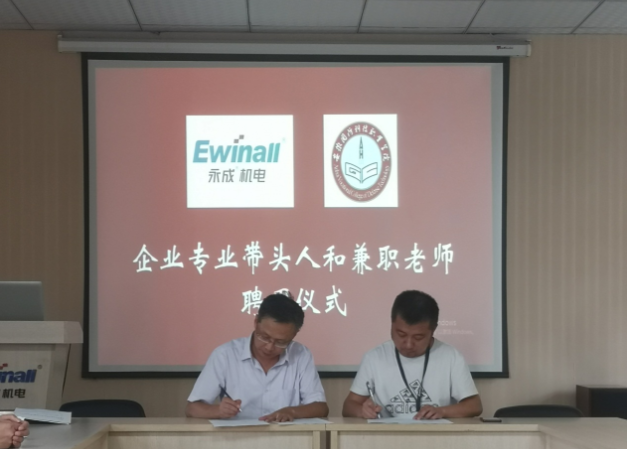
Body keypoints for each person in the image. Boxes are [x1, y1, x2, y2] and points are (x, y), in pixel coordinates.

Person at [186, 293, 328, 422]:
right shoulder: (225, 355)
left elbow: (320, 408)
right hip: (237, 437)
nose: (269, 347)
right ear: (256, 322)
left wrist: (291, 411)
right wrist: (218, 411)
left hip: (285, 437)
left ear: (294, 335)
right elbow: (192, 408)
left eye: (281, 342)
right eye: (264, 337)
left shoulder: (301, 355)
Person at [343, 290, 482, 420]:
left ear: (433, 330)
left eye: (418, 337)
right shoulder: (374, 358)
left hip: (436, 435)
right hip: (388, 435)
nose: (408, 344)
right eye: (401, 334)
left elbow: (474, 406)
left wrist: (443, 411)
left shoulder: (451, 357)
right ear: (392, 325)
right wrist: (362, 411)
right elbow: (349, 406)